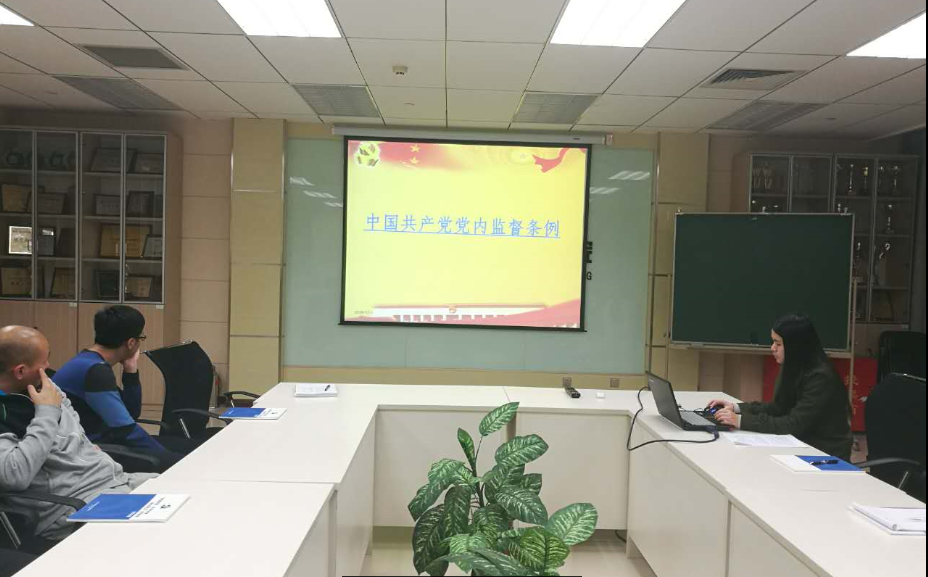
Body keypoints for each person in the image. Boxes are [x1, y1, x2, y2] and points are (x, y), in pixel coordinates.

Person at [0, 325, 157, 540]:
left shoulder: (42, 384)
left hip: (112, 480)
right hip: (75, 505)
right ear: (20, 371)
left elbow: (71, 417)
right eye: (43, 361)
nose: (48, 366)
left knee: (185, 491)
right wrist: (47, 412)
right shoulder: (10, 411)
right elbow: (14, 475)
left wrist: (84, 446)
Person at [53, 305, 185, 467]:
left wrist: (131, 370)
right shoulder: (96, 371)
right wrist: (168, 458)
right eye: (141, 338)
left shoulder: (88, 361)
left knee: (188, 450)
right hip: (93, 450)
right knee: (183, 461)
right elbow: (126, 430)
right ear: (131, 343)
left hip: (104, 441)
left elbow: (130, 413)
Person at [709, 314, 853, 461]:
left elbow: (793, 425)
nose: (772, 348)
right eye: (773, 342)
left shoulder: (821, 377)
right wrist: (736, 408)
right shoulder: (793, 366)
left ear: (795, 346)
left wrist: (740, 420)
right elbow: (778, 408)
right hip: (800, 445)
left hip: (824, 455)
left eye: (778, 344)